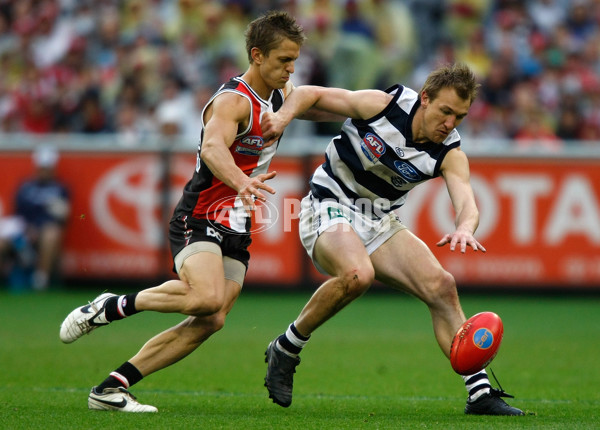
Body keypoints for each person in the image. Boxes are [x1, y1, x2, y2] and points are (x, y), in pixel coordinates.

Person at [59, 11, 308, 413]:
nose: (290, 68)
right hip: (201, 215)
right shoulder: (233, 101)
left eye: (294, 60)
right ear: (257, 55)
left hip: (237, 225)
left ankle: (110, 388)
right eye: (283, 60)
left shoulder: (283, 93)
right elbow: (212, 149)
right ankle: (110, 306)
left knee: (212, 319)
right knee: (205, 298)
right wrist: (242, 182)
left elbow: (311, 96)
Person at [260, 63, 525, 416]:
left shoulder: (449, 152)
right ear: (425, 99)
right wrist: (281, 119)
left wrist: (465, 228)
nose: (449, 124)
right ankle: (288, 346)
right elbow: (312, 94)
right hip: (327, 203)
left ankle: (479, 394)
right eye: (445, 112)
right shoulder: (384, 105)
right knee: (358, 275)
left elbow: (467, 203)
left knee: (441, 285)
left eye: (459, 116)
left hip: (378, 219)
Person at [14, 144, 70, 290]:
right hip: (25, 229)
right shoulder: (26, 187)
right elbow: (18, 213)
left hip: (46, 229)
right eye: (42, 167)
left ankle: (41, 278)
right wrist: (28, 228)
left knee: (51, 233)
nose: (44, 171)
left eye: (47, 167)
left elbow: (63, 217)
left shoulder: (60, 188)